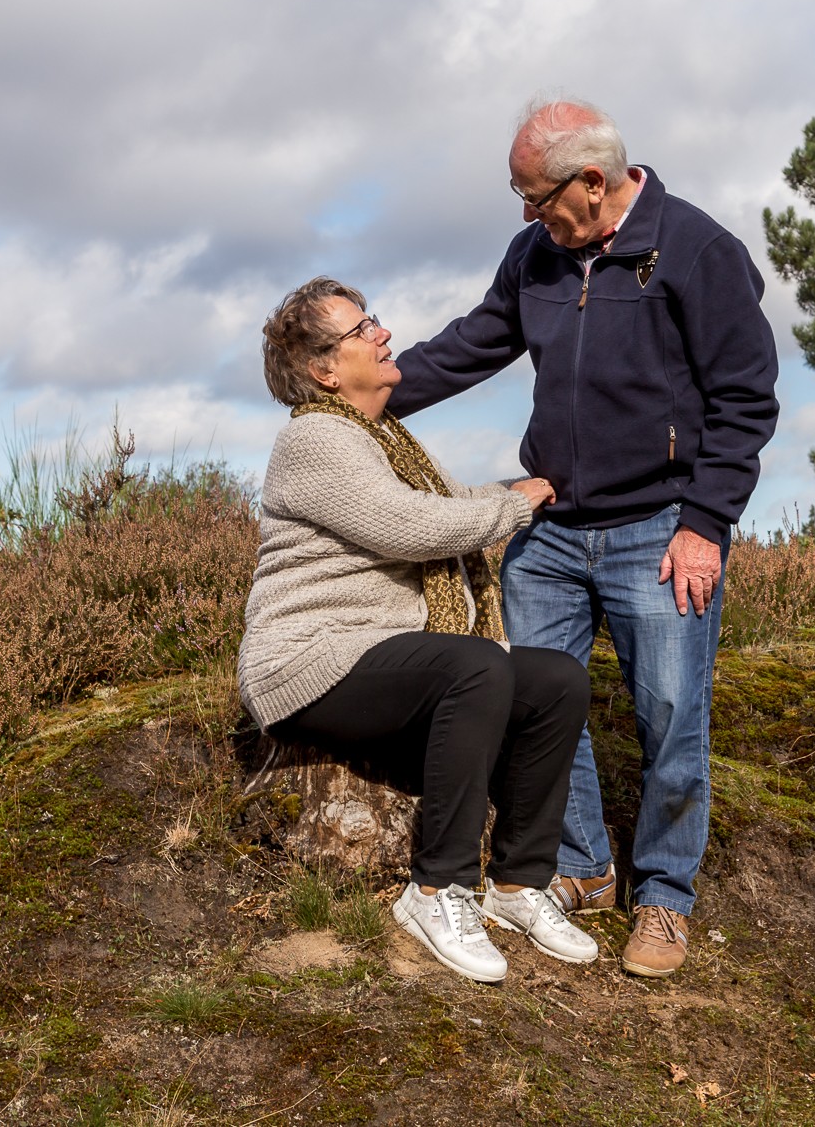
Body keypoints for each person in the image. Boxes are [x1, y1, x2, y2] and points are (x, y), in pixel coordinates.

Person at [388, 99, 779, 978]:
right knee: (540, 700)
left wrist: (705, 523)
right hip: (554, 527)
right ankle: (583, 865)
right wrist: (371, 389)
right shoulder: (537, 255)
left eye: (535, 198)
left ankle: (667, 897)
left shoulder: (699, 251)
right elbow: (475, 342)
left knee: (672, 715)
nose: (526, 216)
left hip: (663, 531)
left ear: (592, 183)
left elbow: (747, 399)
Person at [237, 276, 598, 984]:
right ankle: (436, 890)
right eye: (361, 329)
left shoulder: (387, 439)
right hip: (308, 663)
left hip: (378, 652)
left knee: (556, 679)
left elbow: (451, 501)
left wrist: (520, 493)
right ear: (325, 370)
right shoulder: (314, 441)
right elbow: (412, 527)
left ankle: (520, 882)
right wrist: (514, 505)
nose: (382, 333)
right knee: (477, 666)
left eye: (373, 321)